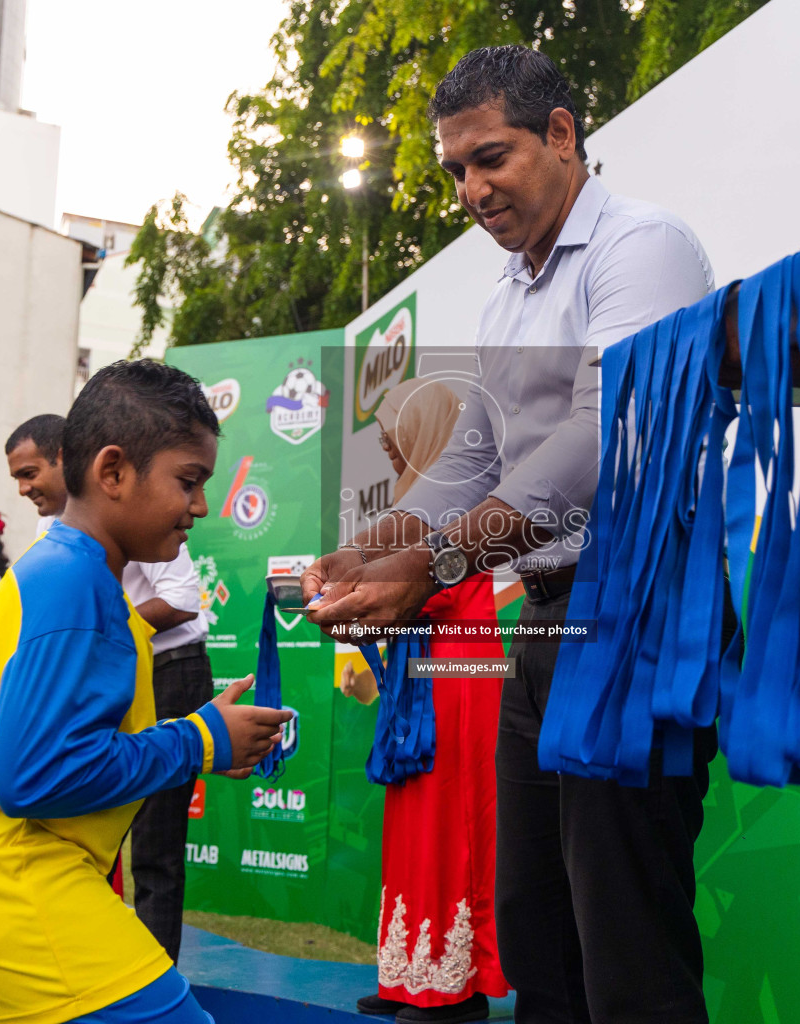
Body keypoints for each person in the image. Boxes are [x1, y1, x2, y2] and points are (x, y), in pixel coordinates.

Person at [304, 46, 717, 1024]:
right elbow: (476, 464)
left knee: (625, 938)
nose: (472, 189)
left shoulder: (643, 247)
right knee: (538, 925)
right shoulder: (505, 295)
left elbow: (601, 437)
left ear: (563, 134)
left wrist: (432, 560)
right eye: (455, 170)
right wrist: (375, 544)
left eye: (490, 158)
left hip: (637, 613)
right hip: (540, 625)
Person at [0, 360, 294, 1023]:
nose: (201, 506)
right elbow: (36, 777)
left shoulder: (65, 575)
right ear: (113, 471)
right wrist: (199, 739)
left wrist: (205, 735)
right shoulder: (76, 585)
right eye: (189, 481)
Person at [5, 411, 215, 963]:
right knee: (85, 824)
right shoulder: (51, 546)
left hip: (169, 671)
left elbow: (183, 600)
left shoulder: (146, 525)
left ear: (70, 461)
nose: (25, 489)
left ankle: (153, 972)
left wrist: (106, 631)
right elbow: (28, 782)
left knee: (155, 841)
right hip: (118, 668)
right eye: (17, 480)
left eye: (30, 473)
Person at [343, 378, 508, 1024]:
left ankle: (453, 987)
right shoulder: (414, 506)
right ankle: (410, 971)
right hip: (420, 684)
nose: (388, 449)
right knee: (410, 827)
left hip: (458, 677)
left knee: (450, 827)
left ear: (426, 432)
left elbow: (444, 593)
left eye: (395, 438)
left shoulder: (468, 503)